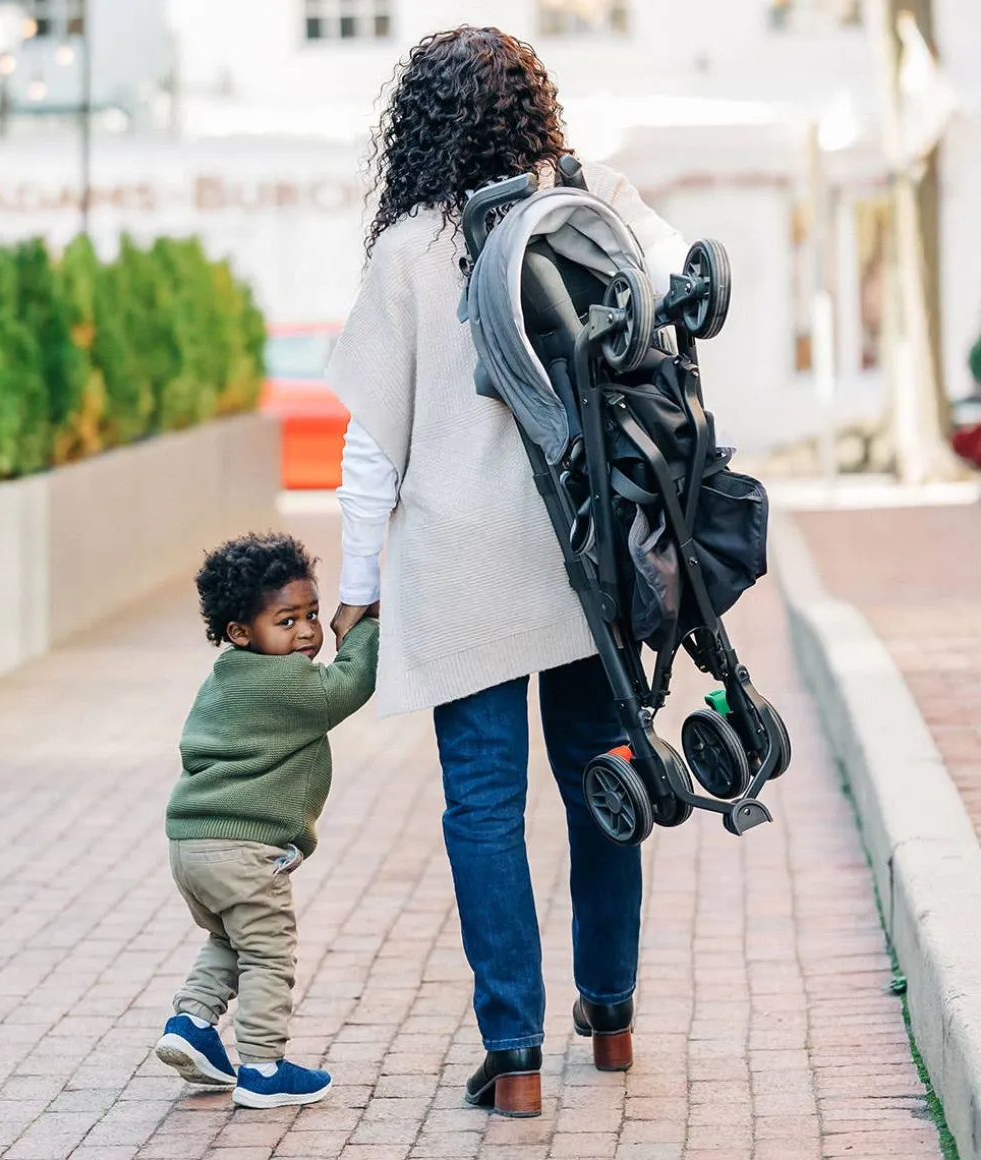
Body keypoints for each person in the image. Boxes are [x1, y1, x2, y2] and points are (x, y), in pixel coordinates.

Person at [326, 27, 690, 1118]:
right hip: (587, 551)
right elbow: (679, 287)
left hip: (461, 568)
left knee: (482, 807)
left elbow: (368, 450)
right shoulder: (592, 200)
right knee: (604, 774)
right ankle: (612, 1013)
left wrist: (358, 586)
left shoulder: (408, 248)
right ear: (536, 109)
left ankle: (514, 1051)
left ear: (419, 125)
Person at [155, 532, 379, 1109]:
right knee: (268, 953)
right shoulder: (284, 683)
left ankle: (192, 1024)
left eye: (312, 614)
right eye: (286, 621)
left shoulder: (227, 677)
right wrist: (368, 626)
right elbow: (348, 685)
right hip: (242, 850)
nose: (307, 632)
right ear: (240, 631)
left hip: (192, 846)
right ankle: (261, 1067)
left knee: (231, 938)